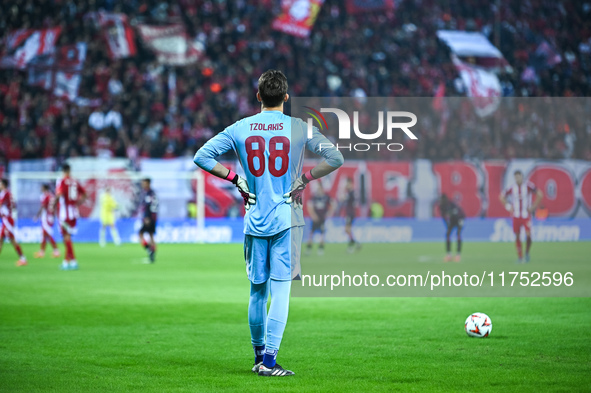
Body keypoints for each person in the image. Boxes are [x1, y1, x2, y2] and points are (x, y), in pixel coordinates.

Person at [194, 70, 344, 377]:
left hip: (254, 218)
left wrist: (236, 179)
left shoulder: (240, 128)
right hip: (287, 218)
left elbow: (202, 156)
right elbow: (335, 157)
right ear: (286, 98)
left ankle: (258, 356)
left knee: (257, 292)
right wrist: (304, 178)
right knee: (282, 291)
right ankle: (270, 363)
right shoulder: (300, 128)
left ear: (259, 96)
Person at [499, 170, 543, 262]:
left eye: (519, 177)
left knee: (528, 235)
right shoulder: (511, 188)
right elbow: (501, 196)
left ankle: (527, 252)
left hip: (526, 215)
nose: (517, 179)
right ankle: (520, 257)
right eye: (516, 177)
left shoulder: (528, 186)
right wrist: (508, 206)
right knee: (517, 236)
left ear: (522, 177)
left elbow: (539, 194)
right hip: (516, 216)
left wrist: (533, 206)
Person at [54, 163, 87, 270]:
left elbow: (59, 194)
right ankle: (66, 261)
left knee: (66, 238)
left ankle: (73, 261)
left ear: (63, 171)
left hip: (65, 214)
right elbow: (85, 194)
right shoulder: (75, 181)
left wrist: (54, 205)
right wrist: (77, 203)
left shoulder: (63, 181)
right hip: (73, 212)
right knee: (67, 238)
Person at [0, 179, 27, 266]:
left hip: (7, 220)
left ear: (3, 185)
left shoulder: (4, 193)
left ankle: (23, 258)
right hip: (7, 219)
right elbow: (14, 206)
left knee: (12, 240)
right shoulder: (9, 193)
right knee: (1, 240)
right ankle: (22, 258)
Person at [306, 183, 334, 255]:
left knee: (322, 233)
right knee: (311, 233)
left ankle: (321, 249)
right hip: (315, 218)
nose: (319, 190)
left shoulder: (326, 197)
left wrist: (329, 213)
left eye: (320, 188)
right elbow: (310, 206)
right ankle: (309, 249)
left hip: (322, 218)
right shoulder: (314, 197)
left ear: (322, 188)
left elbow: (333, 204)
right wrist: (313, 215)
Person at [33, 184, 60, 258]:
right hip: (51, 216)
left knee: (48, 234)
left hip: (46, 217)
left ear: (45, 188)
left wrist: (37, 215)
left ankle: (56, 251)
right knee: (44, 235)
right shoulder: (52, 195)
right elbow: (54, 206)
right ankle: (42, 252)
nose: (41, 188)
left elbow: (43, 206)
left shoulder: (45, 196)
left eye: (42, 187)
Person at [439, 194, 465, 262]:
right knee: (447, 234)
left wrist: (460, 222)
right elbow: (443, 217)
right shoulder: (441, 206)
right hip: (452, 220)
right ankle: (449, 255)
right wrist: (447, 225)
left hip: (459, 219)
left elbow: (459, 212)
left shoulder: (451, 204)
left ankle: (458, 255)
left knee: (458, 234)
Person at [139, 178, 158, 263]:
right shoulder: (152, 193)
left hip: (149, 218)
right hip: (153, 217)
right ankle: (152, 256)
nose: (143, 184)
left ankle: (149, 250)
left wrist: (147, 217)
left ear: (148, 183)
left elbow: (148, 206)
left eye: (144, 183)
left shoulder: (148, 193)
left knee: (140, 233)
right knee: (151, 236)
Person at [341, 177, 360, 253]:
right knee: (347, 230)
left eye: (348, 183)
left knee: (347, 229)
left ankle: (351, 246)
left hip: (350, 213)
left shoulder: (351, 192)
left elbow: (343, 198)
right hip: (348, 212)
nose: (347, 185)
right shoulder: (349, 192)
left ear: (351, 184)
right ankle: (355, 243)